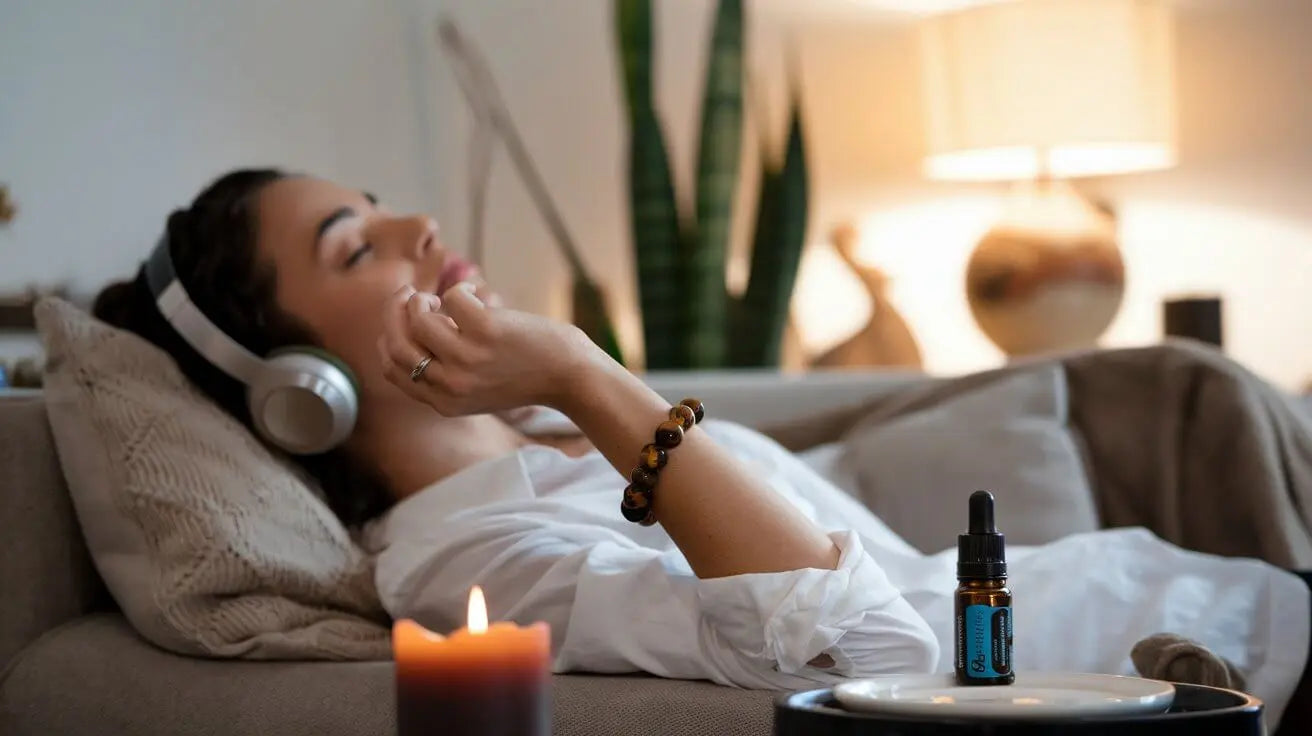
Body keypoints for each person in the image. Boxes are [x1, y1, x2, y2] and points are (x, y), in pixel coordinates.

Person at [94, 169, 1310, 726]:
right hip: (1211, 674)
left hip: (1232, 597)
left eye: (377, 202)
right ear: (298, 385)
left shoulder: (556, 443)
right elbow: (860, 646)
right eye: (355, 247)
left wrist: (575, 394)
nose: (419, 223)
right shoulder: (463, 564)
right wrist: (584, 369)